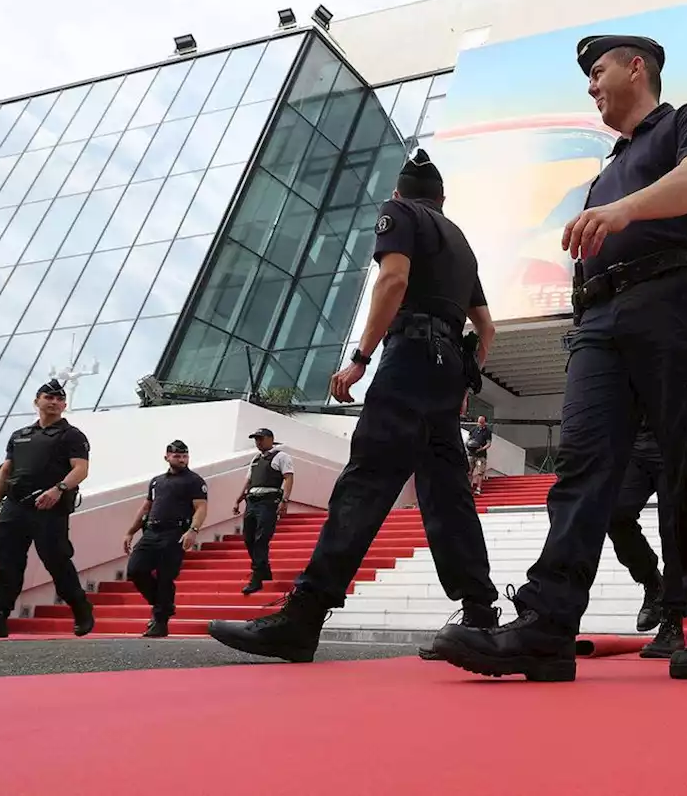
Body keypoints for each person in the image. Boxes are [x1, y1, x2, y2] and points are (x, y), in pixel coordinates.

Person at [435, 34, 687, 682]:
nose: (591, 85)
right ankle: (548, 623)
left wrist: (622, 211)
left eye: (598, 71)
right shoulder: (607, 164)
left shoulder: (686, 121)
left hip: (674, 299)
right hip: (599, 320)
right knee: (580, 467)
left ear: (638, 68)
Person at [206, 149, 501, 664]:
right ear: (443, 199)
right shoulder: (461, 244)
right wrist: (460, 376)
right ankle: (479, 614)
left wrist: (361, 357)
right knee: (448, 496)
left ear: (398, 193)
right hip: (446, 368)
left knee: (365, 483)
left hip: (409, 357)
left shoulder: (399, 215)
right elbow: (488, 329)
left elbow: (393, 280)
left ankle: (303, 617)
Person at [0, 380, 94, 639]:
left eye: (58, 399)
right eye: (47, 397)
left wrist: (58, 489)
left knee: (56, 561)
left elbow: (80, 469)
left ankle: (80, 607)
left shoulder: (72, 435)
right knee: (7, 563)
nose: (52, 402)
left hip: (49, 508)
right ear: (36, 401)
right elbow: (6, 471)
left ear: (64, 405)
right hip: (15, 507)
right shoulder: (19, 435)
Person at [605, 420, 685, 657]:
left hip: (677, 444)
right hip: (637, 446)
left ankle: (672, 621)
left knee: (673, 533)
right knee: (614, 514)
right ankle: (652, 582)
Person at [122, 440, 208, 638]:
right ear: (167, 457)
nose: (181, 459)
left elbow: (201, 507)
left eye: (184, 456)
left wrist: (193, 530)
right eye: (177, 456)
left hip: (175, 533)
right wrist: (130, 531)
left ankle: (160, 621)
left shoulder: (194, 481)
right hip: (151, 531)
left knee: (165, 577)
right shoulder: (156, 481)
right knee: (135, 570)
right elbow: (146, 507)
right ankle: (165, 605)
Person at [232, 428, 295, 595]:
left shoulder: (281, 456)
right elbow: (249, 480)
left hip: (268, 501)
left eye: (261, 439)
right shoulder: (256, 459)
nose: (258, 442)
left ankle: (257, 576)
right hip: (252, 501)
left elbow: (289, 477)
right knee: (248, 537)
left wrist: (285, 500)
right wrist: (238, 498)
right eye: (256, 439)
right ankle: (263, 569)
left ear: (270, 439)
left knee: (261, 538)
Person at [465, 416, 491, 495]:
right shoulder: (473, 430)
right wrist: (468, 446)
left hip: (481, 456)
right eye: (479, 422)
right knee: (469, 471)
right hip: (471, 454)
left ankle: (478, 489)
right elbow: (468, 439)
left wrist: (481, 449)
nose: (479, 424)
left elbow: (489, 443)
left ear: (484, 422)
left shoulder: (487, 431)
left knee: (480, 472)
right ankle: (468, 488)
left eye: (481, 422)